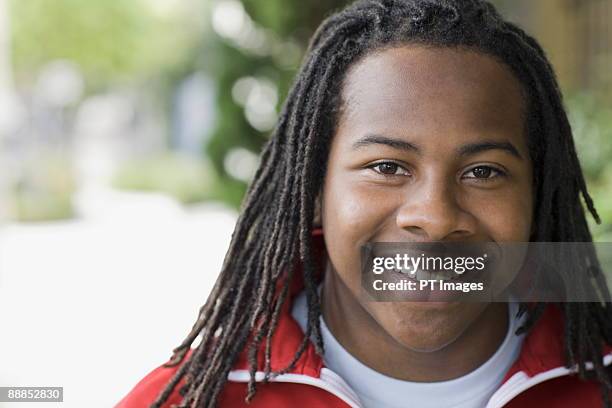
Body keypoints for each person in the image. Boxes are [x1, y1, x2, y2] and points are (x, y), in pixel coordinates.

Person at [116, 0, 612, 406]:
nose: (435, 218)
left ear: (537, 194)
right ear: (314, 186)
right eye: (387, 167)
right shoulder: (189, 399)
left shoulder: (600, 378)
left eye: (483, 172)